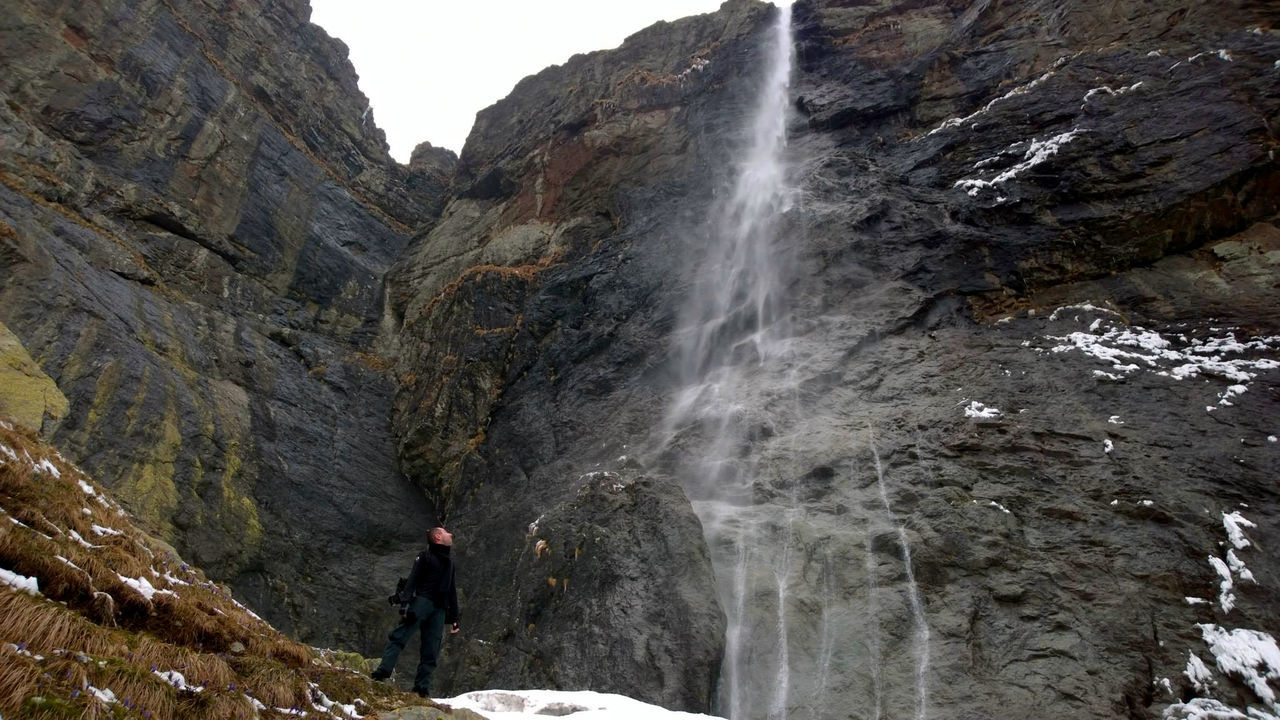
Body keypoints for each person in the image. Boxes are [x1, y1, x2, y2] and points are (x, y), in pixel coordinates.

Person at [371, 526, 460, 696]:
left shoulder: (450, 562)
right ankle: (382, 673)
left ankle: (421, 689)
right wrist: (405, 605)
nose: (451, 534)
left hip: (439, 609)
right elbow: (412, 580)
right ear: (438, 537)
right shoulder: (425, 556)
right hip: (422, 602)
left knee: (431, 650)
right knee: (399, 637)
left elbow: (452, 591)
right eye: (446, 532)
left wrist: (455, 616)